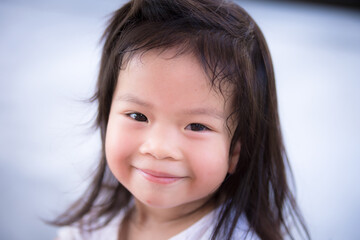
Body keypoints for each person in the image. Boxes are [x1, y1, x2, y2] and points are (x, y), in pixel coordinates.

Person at [51, 0, 310, 239]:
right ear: (107, 115)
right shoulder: (90, 222)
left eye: (197, 126)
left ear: (235, 151)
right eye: (137, 116)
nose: (159, 148)